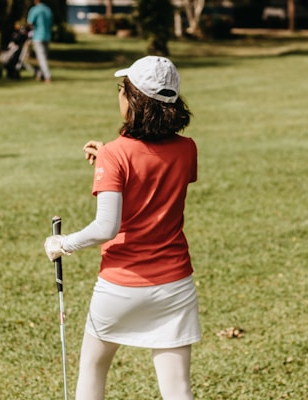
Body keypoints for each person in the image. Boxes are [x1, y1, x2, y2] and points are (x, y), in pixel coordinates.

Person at [44, 56, 200, 400]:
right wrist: (109, 159)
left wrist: (61, 244)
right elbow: (153, 169)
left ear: (134, 101)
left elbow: (106, 227)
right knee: (177, 388)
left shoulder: (116, 154)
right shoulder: (188, 149)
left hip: (121, 285)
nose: (119, 94)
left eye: (122, 89)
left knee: (93, 370)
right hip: (175, 284)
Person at [27, 0, 53, 83]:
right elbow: (50, 22)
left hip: (38, 36)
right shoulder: (48, 10)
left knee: (41, 58)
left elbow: (30, 23)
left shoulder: (35, 10)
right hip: (47, 36)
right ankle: (39, 75)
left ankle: (47, 77)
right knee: (43, 57)